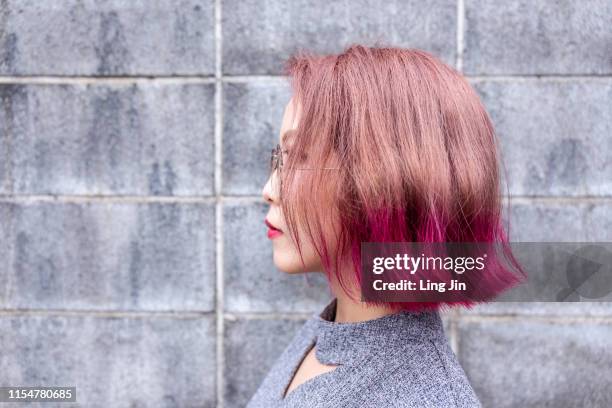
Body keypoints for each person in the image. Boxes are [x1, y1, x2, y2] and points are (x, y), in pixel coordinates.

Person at [248, 44, 520, 407]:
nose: (269, 190)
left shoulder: (423, 397)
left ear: (384, 181)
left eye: (299, 159)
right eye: (278, 159)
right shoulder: (329, 333)